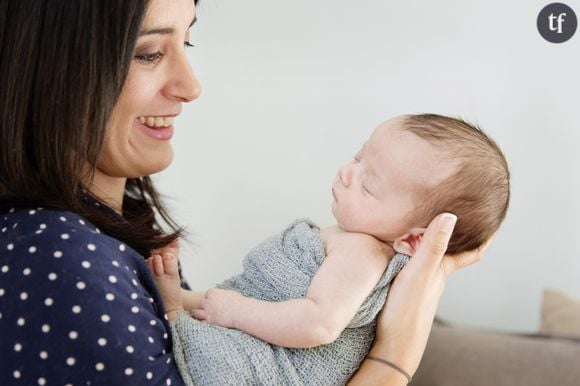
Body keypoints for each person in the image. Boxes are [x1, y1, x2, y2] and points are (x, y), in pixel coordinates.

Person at [0, 0, 486, 385]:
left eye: (187, 41)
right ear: (52, 66)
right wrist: (394, 357)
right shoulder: (58, 255)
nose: (191, 85)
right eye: (148, 52)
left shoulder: (113, 224)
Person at [147, 114, 509, 385]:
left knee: (228, 361)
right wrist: (205, 301)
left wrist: (237, 311)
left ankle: (177, 316)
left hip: (280, 363)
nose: (346, 173)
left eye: (368, 185)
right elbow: (259, 292)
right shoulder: (348, 239)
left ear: (414, 240)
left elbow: (318, 324)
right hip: (248, 317)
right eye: (358, 158)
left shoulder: (363, 254)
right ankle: (178, 309)